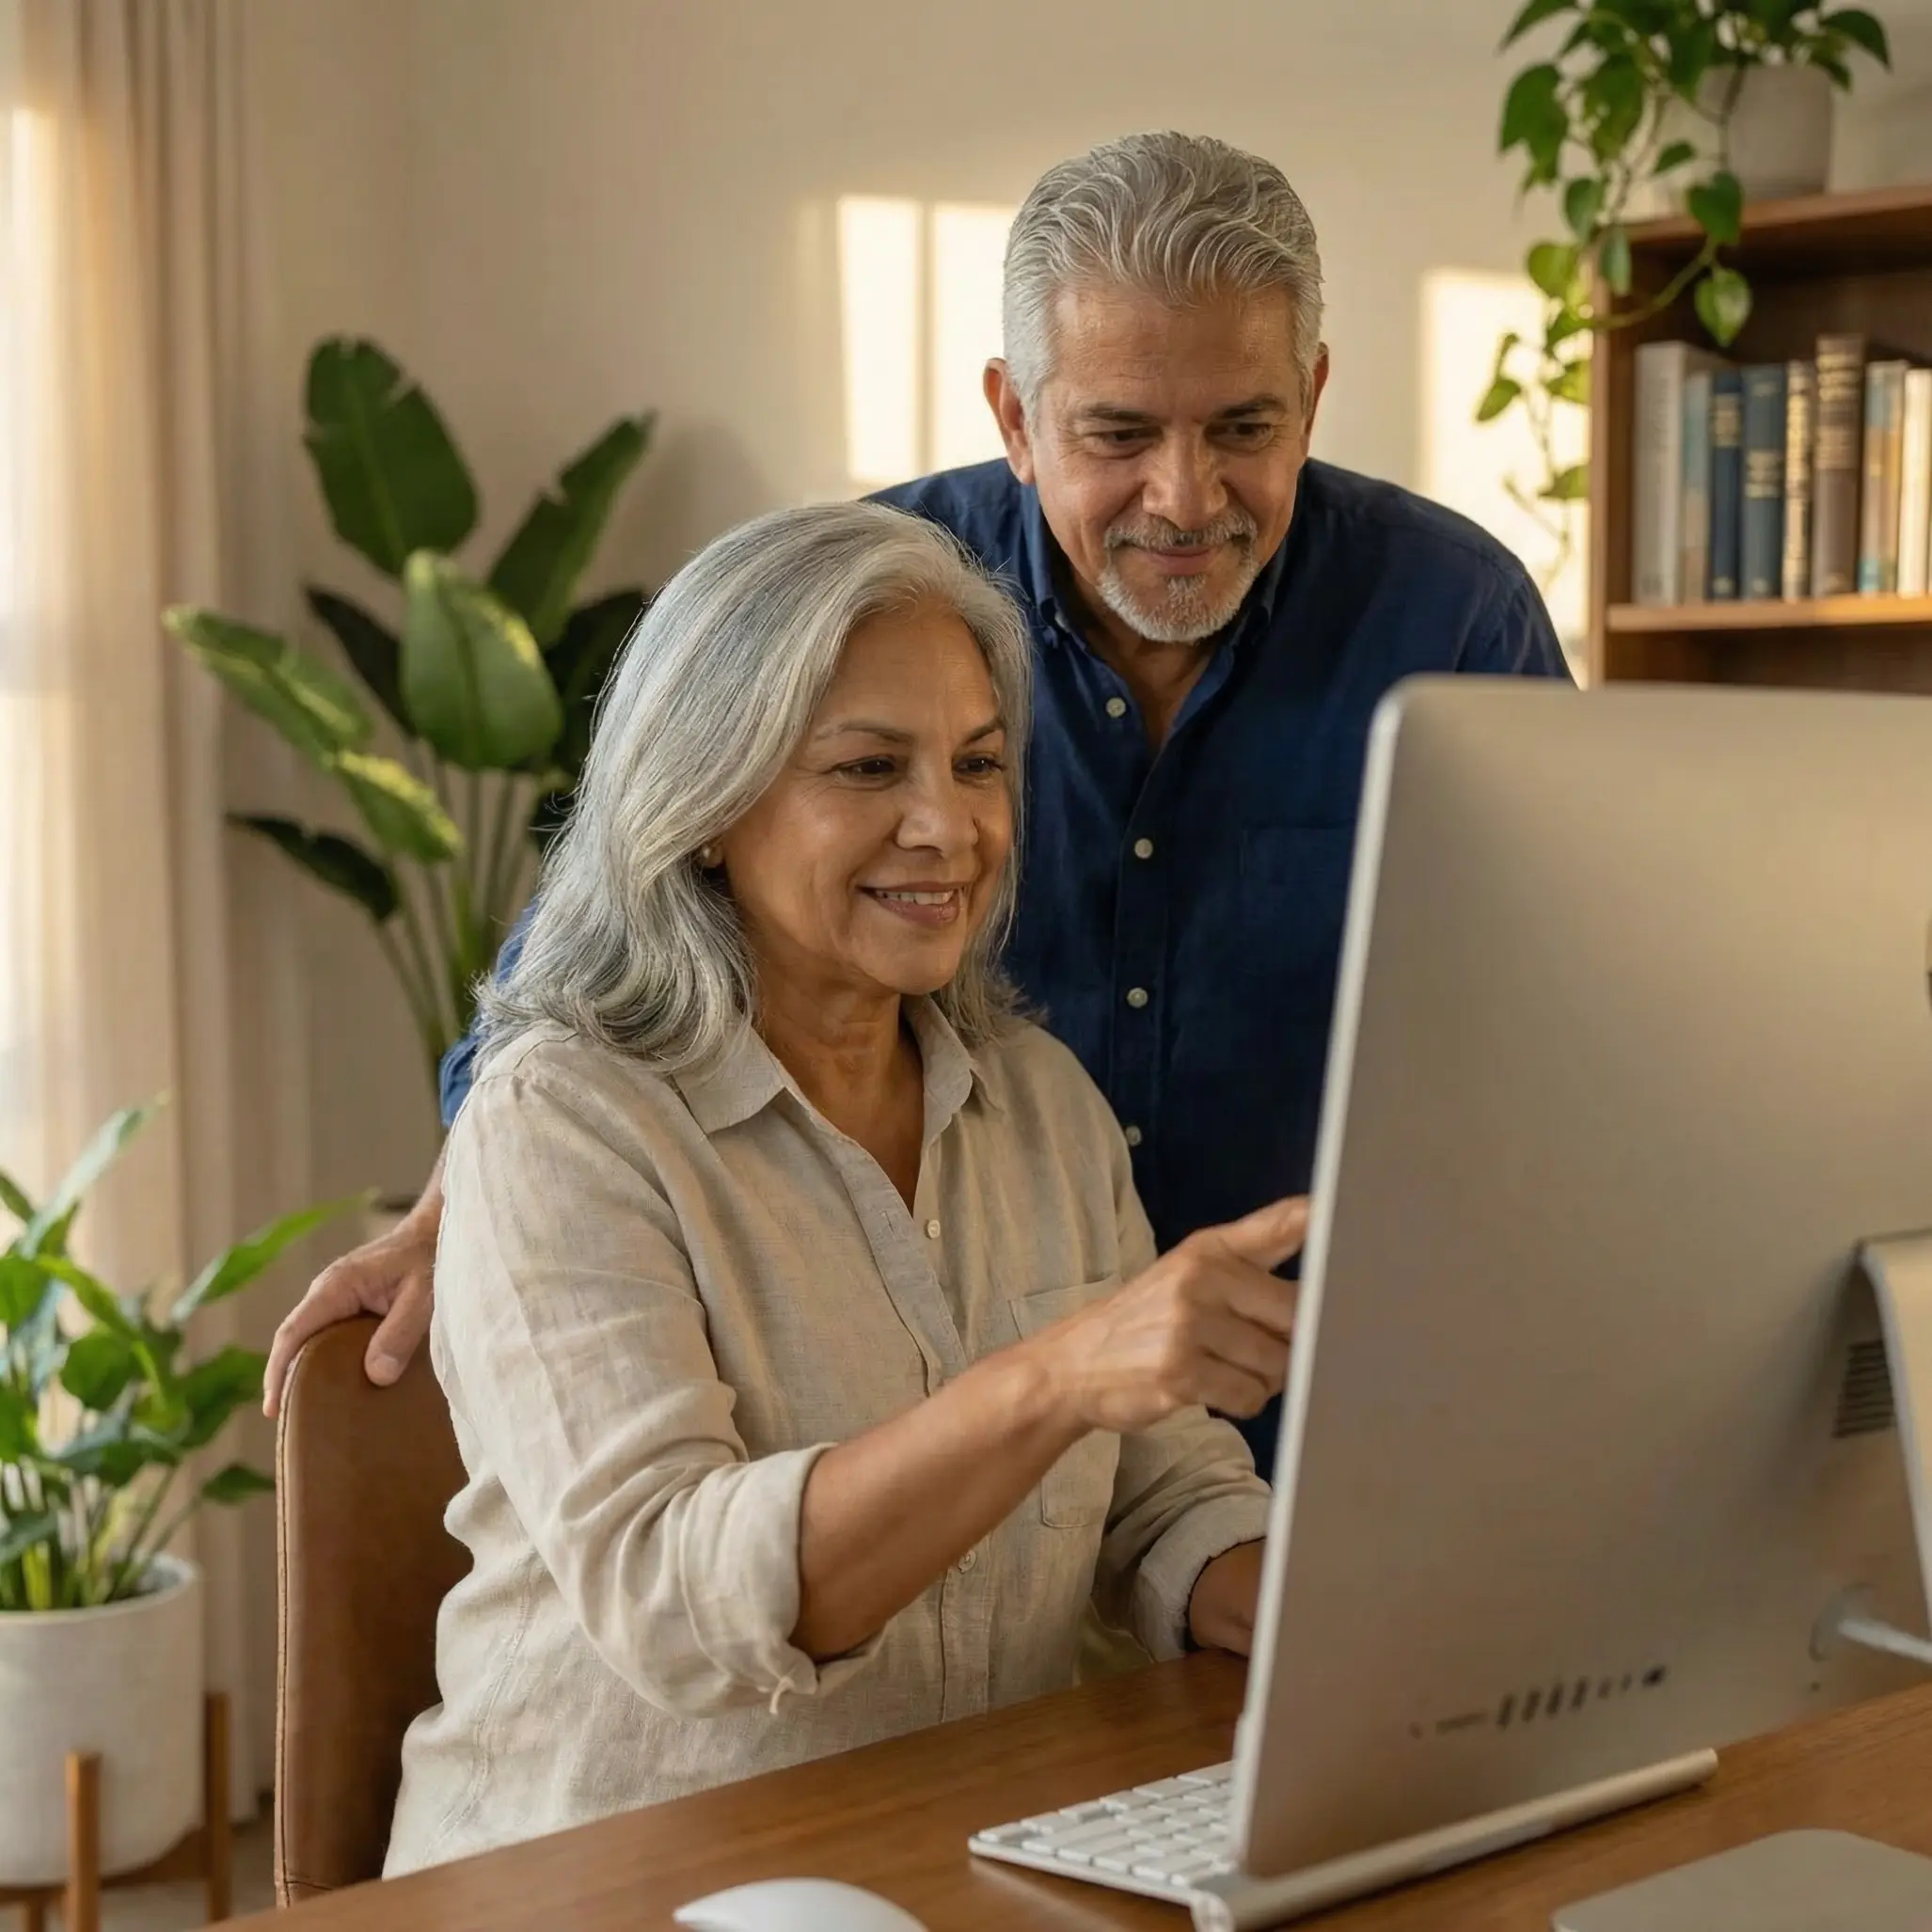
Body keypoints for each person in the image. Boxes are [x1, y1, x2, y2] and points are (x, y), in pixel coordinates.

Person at [265, 130, 1571, 1481]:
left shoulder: (1455, 618)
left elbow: (1560, 1022)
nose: (1184, 498)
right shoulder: (859, 609)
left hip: (1333, 1419)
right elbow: (595, 946)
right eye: (1117, 435)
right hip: (941, 1452)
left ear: (1311, 393)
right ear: (1012, 415)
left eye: (1244, 429)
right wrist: (463, 1201)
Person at [381, 501, 1292, 1872]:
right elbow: (676, 1600)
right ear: (703, 809)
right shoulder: (559, 1126)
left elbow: (1161, 1501)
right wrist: (1052, 1376)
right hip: (600, 1882)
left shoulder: (1040, 1102)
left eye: (978, 765)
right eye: (868, 768)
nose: (947, 826)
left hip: (954, 1858)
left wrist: (1363, 1633)